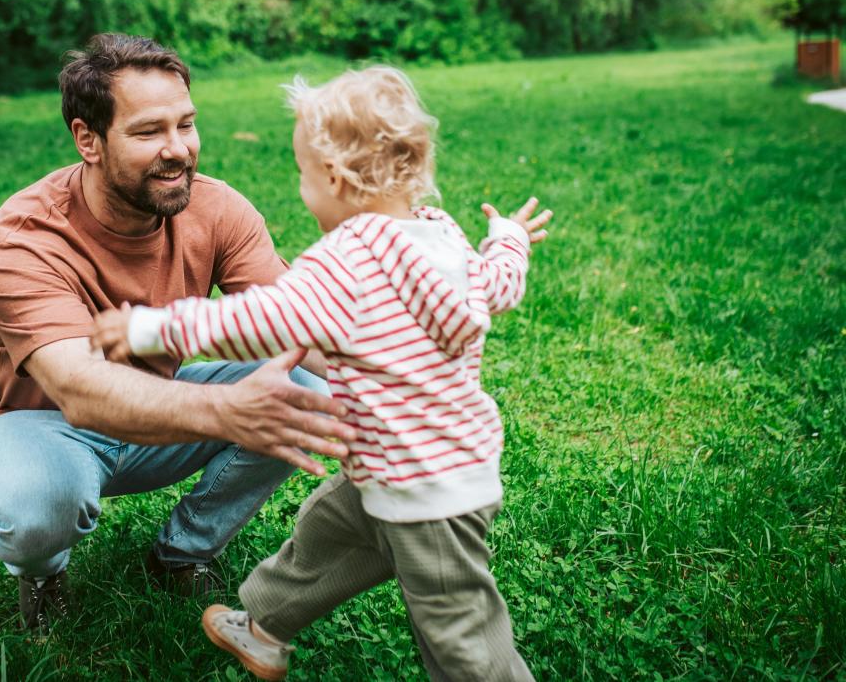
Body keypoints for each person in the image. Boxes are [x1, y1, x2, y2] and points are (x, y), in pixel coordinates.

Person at [91, 66, 551, 680]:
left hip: (431, 493)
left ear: (334, 177)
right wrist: (510, 238)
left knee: (459, 630)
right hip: (390, 462)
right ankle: (261, 626)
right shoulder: (441, 238)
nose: (304, 189)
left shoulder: (347, 260)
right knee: (327, 531)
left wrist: (149, 329)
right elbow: (496, 285)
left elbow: (260, 320)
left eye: (304, 176)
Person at [0, 33, 355, 632]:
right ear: (87, 140)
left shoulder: (218, 210)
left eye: (187, 125)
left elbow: (296, 327)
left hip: (158, 421)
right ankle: (42, 571)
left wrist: (399, 373)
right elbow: (80, 390)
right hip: (44, 426)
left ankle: (183, 550)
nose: (179, 151)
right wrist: (229, 409)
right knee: (37, 507)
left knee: (308, 388)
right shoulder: (25, 237)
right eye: (149, 133)